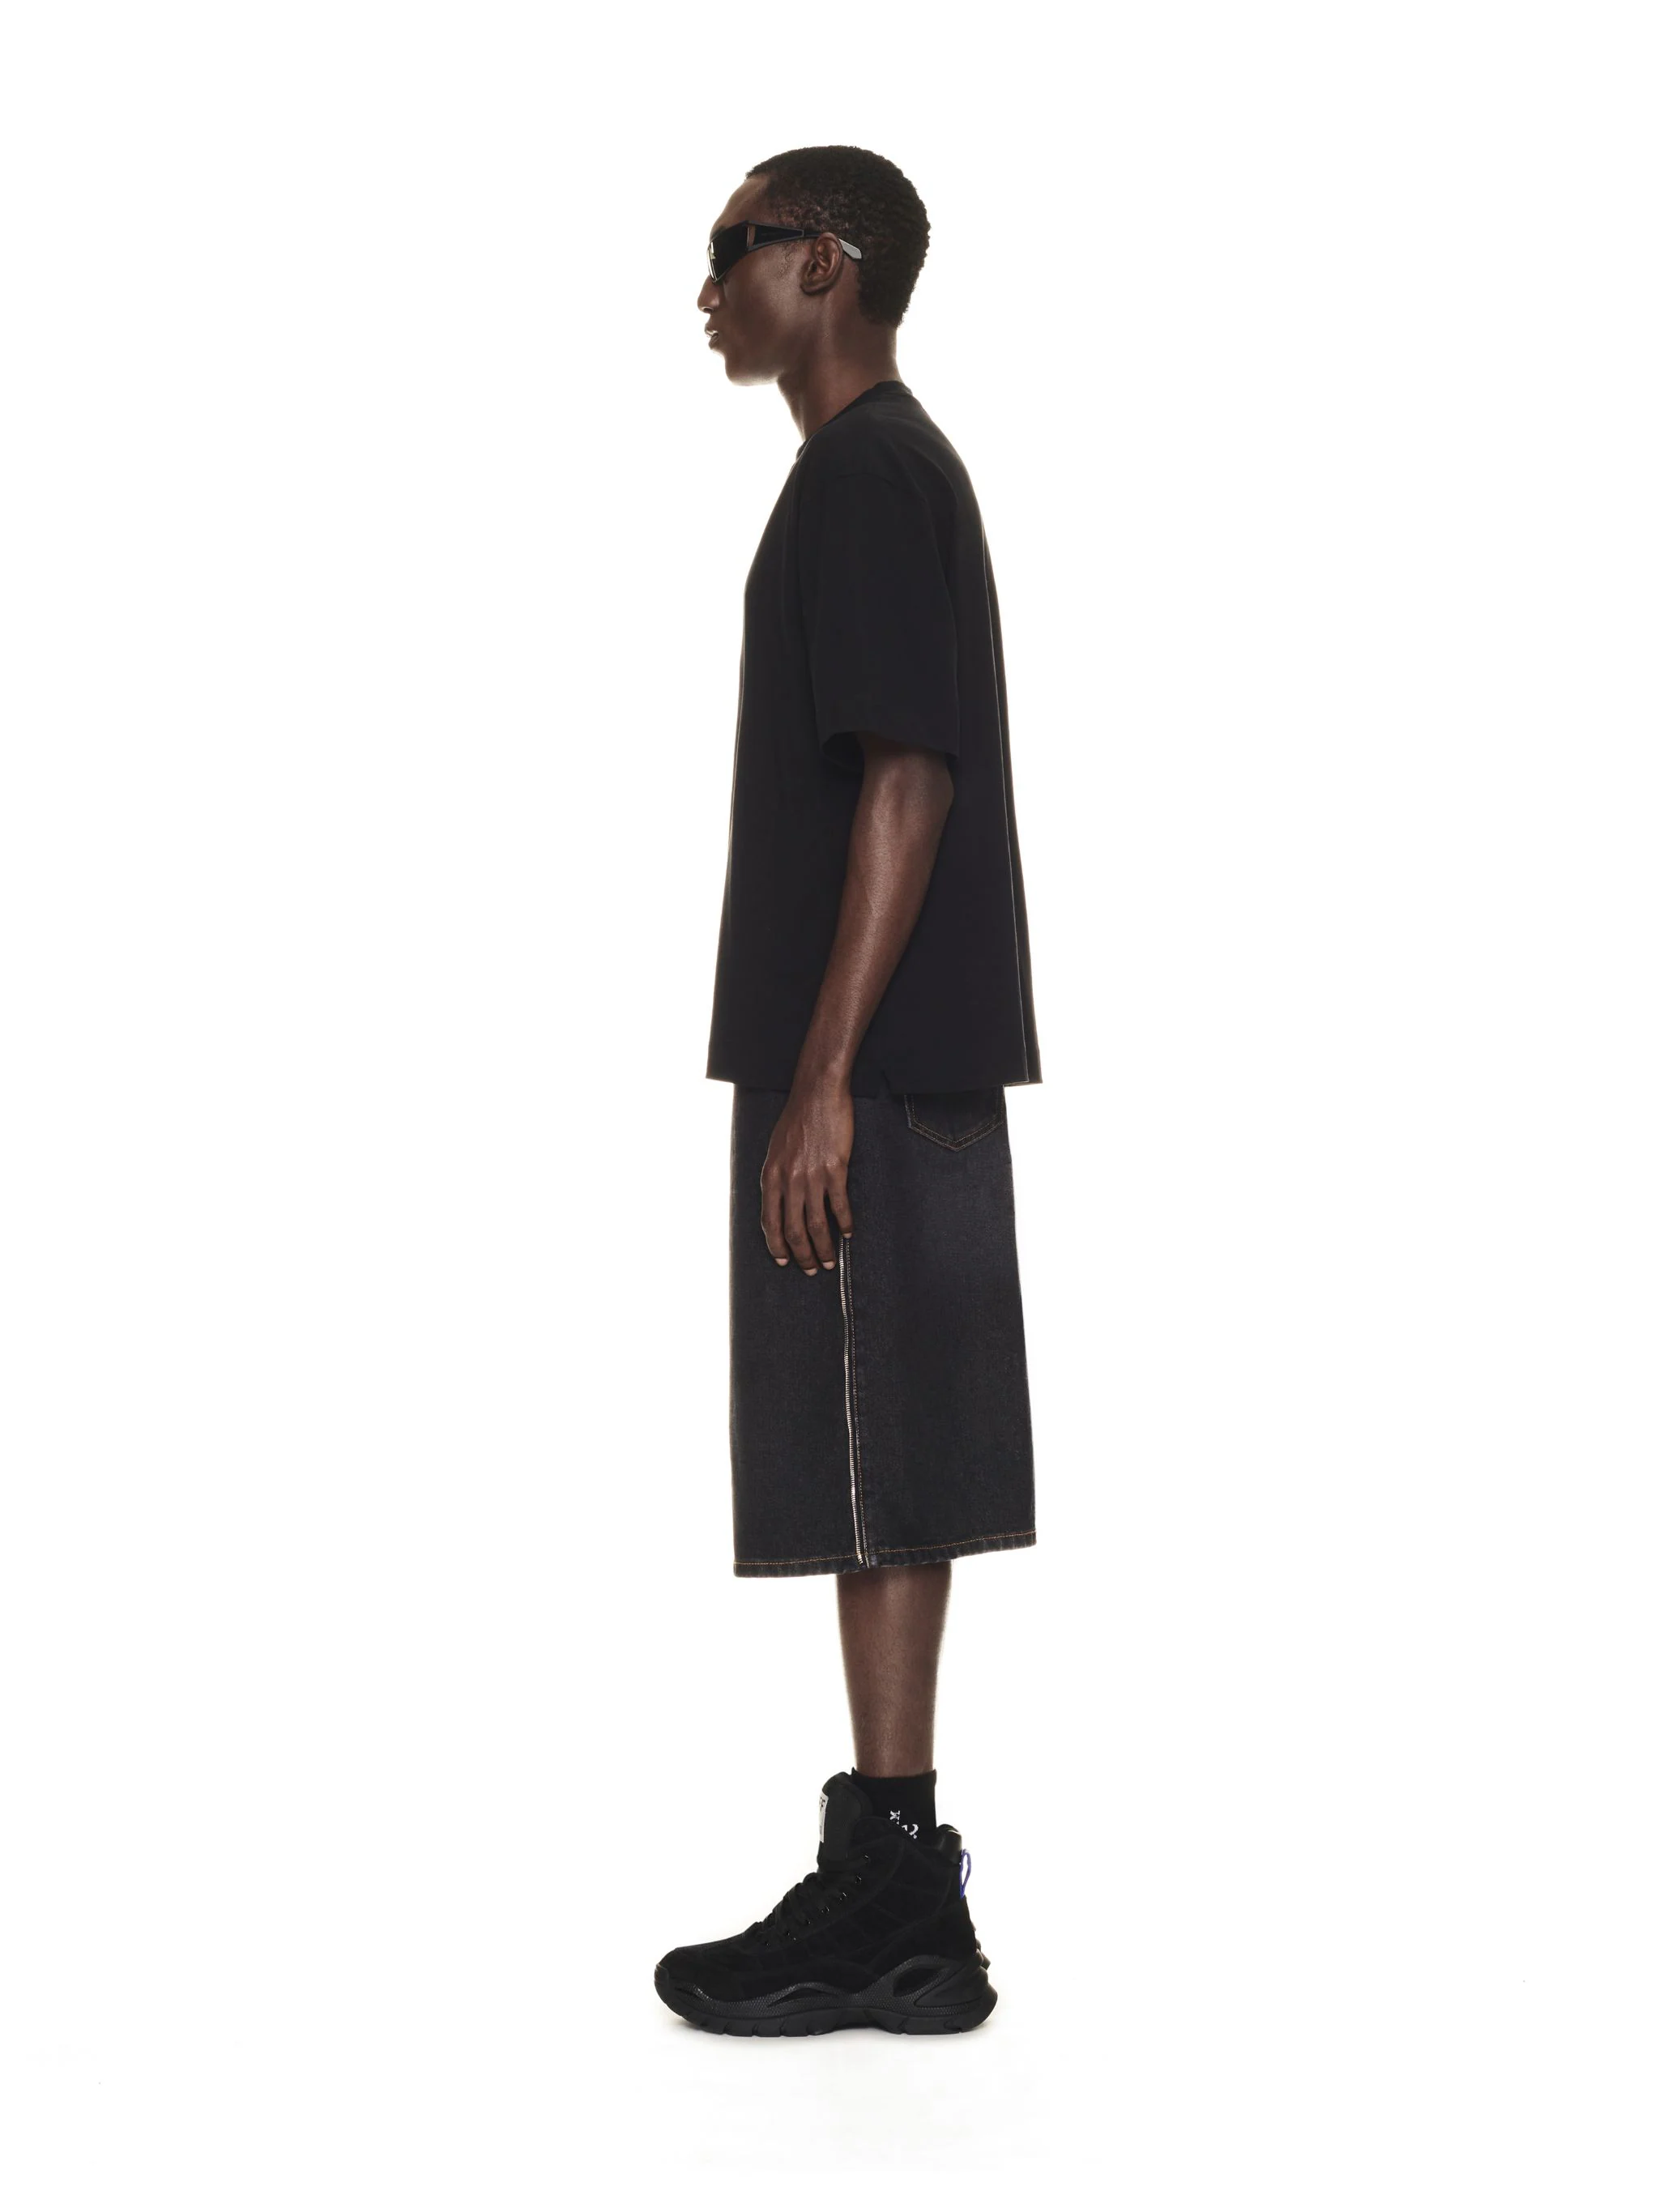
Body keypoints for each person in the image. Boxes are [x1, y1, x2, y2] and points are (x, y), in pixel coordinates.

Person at [655, 145, 1042, 2037]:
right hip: (883, 1061)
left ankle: (900, 1895)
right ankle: (897, 1888)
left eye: (730, 249)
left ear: (824, 259)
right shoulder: (868, 474)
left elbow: (909, 773)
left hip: (869, 1069)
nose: (703, 287)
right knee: (879, 1461)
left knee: (886, 1451)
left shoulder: (870, 474)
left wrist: (820, 1081)